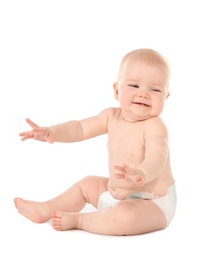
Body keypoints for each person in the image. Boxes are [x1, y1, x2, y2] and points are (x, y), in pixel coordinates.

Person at [14, 48, 177, 236]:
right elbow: (80, 128)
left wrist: (142, 173)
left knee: (125, 217)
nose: (143, 94)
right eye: (134, 86)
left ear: (165, 97)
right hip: (117, 192)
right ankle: (45, 209)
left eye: (155, 89)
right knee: (87, 184)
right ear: (116, 90)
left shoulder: (154, 126)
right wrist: (53, 132)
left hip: (153, 202)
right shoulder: (110, 117)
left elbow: (159, 154)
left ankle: (80, 220)